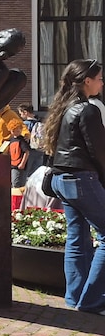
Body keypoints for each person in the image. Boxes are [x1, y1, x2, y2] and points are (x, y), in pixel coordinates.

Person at [41, 59, 105, 314]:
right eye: (99, 78)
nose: (102, 82)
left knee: (77, 237)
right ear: (86, 80)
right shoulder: (87, 110)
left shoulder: (63, 108)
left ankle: (75, 297)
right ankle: (90, 300)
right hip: (81, 178)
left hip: (62, 179)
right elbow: (99, 151)